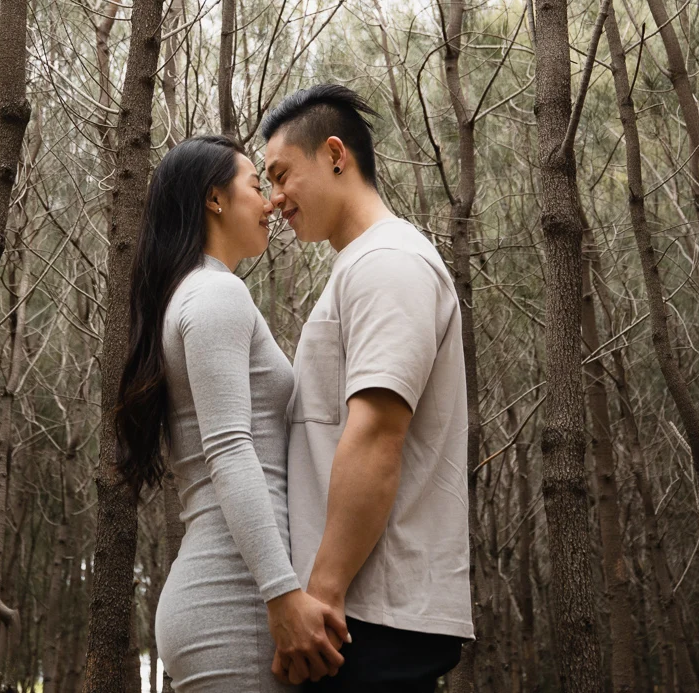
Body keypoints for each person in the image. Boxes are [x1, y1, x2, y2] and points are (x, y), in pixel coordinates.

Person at [114, 135, 349, 691]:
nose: (270, 201)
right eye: (254, 185)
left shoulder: (195, 294)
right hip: (236, 600)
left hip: (234, 595)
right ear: (213, 199)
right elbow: (228, 449)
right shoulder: (215, 296)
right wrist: (282, 593)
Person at [259, 85, 473, 691]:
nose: (274, 201)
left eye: (280, 175)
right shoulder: (362, 264)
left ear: (334, 154)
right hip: (359, 617)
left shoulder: (390, 262)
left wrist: (320, 598)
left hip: (368, 619)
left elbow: (377, 434)